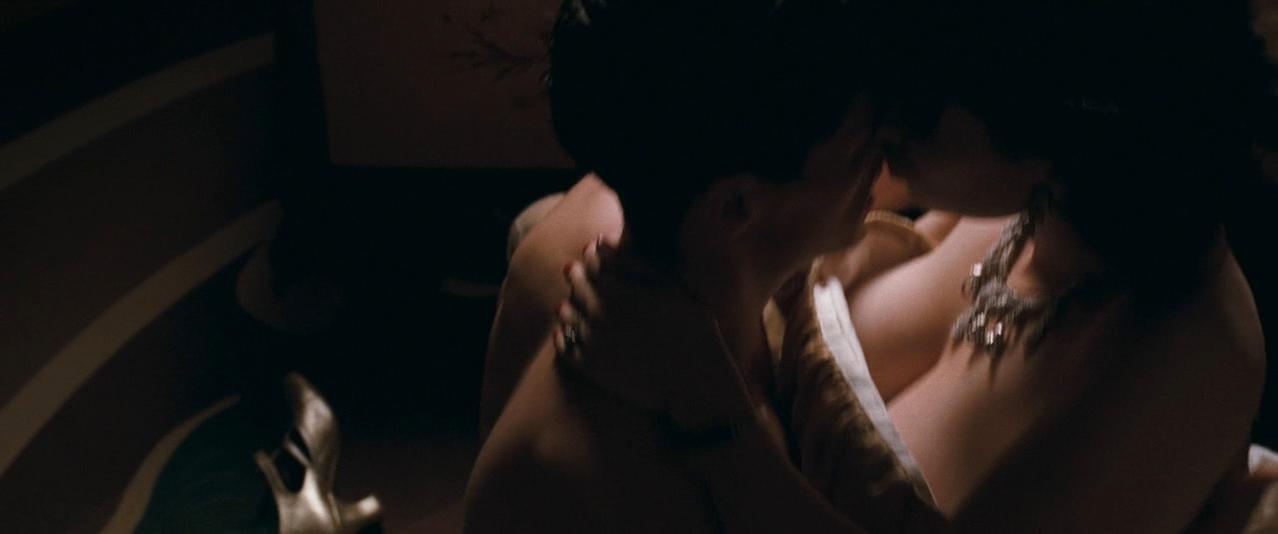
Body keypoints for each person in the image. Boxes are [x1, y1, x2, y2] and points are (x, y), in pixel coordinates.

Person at [555, 0, 1278, 532]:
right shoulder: (1017, 189)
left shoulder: (1188, 355)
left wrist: (718, 421)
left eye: (920, 106)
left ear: (1059, 132)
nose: (883, 118)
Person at [463, 0, 911, 532]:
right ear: (735, 208)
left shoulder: (713, 311)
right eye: (860, 149)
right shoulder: (609, 478)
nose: (883, 159)